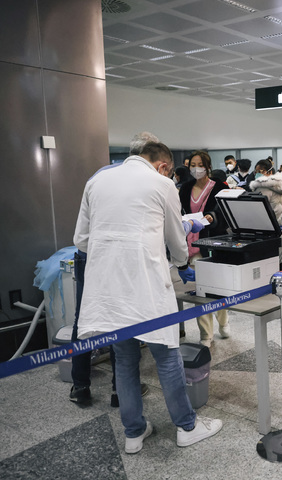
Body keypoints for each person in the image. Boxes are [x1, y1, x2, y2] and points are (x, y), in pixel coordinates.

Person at [73, 142, 222, 453]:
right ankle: (187, 426)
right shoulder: (162, 183)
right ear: (163, 165)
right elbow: (176, 241)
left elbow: (81, 240)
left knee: (125, 360)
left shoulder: (96, 181)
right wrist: (181, 261)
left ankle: (134, 433)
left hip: (108, 290)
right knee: (167, 356)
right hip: (146, 287)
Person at [69, 131, 159, 407]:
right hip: (124, 258)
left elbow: (81, 237)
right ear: (150, 155)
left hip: (91, 257)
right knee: (126, 318)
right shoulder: (149, 180)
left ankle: (80, 386)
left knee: (83, 319)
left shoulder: (99, 176)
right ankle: (120, 390)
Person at [179, 151, 229, 347]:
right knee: (201, 291)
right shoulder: (185, 188)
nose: (196, 168)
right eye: (192, 164)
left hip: (213, 241)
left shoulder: (219, 187)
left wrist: (211, 217)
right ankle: (206, 334)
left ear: (208, 167)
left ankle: (224, 321)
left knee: (218, 287)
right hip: (192, 244)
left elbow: (223, 213)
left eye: (200, 164)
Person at [250, 158, 282, 223]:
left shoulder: (263, 188)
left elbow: (259, 209)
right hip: (281, 219)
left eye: (262, 171)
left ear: (270, 172)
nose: (258, 174)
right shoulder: (278, 184)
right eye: (256, 171)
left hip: (268, 222)